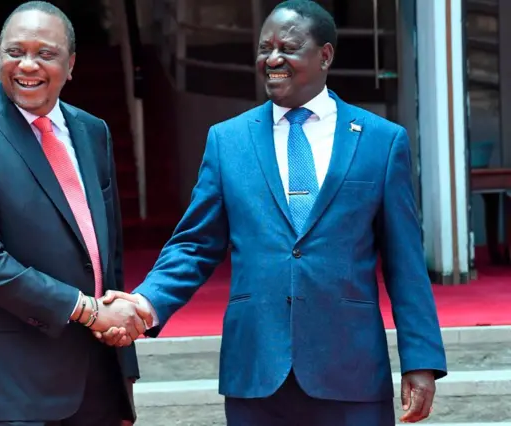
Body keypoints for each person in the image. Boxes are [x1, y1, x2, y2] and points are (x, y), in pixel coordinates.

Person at [98, 1, 447, 425]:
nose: (273, 58)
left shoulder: (381, 140)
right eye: (265, 48)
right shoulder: (228, 141)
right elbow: (194, 245)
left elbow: (404, 262)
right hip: (256, 372)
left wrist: (421, 360)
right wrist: (145, 304)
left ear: (325, 55)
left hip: (350, 371)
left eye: (289, 47)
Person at [0, 2, 150, 425]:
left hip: (98, 377)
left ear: (71, 65)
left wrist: (124, 368)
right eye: (15, 52)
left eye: (45, 53)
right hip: (15, 383)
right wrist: (86, 310)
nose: (27, 65)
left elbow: (106, 253)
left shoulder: (92, 131)